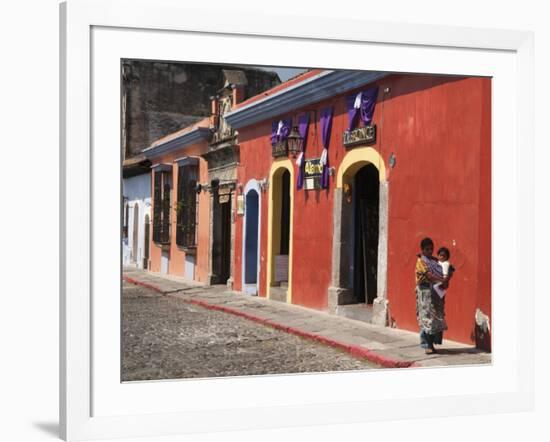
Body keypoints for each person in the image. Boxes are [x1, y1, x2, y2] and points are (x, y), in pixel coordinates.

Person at [415, 237, 448, 354]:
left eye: (431, 249)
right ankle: (426, 345)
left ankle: (432, 344)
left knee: (435, 319)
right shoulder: (421, 261)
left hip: (435, 292)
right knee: (426, 319)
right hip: (425, 293)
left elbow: (443, 271)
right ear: (422, 250)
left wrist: (446, 279)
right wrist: (442, 280)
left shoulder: (434, 261)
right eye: (427, 249)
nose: (430, 251)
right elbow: (428, 275)